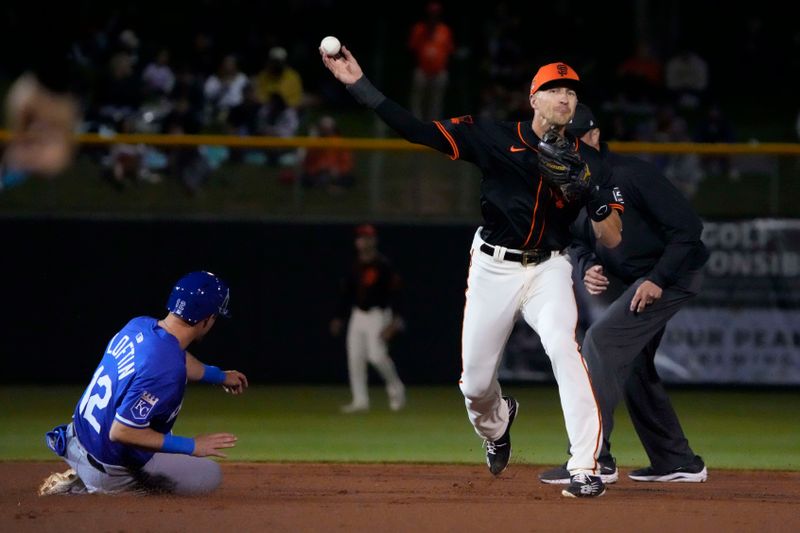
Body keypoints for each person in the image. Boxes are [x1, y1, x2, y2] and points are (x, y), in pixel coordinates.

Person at [322, 47, 624, 498]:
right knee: (476, 384)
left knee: (565, 347)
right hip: (493, 268)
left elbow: (613, 236)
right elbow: (418, 132)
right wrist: (359, 85)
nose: (564, 97)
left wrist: (592, 193)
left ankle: (585, 466)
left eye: (571, 92)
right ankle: (497, 425)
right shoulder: (491, 136)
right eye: (554, 89)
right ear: (533, 98)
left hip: (550, 268)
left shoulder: (591, 159)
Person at [538, 104, 709, 485]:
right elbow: (573, 241)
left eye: (573, 138)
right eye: (560, 140)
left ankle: (592, 457)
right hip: (635, 278)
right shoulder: (570, 187)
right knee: (631, 364)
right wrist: (587, 267)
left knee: (599, 342)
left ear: (595, 137)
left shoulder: (632, 175)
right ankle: (676, 460)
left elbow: (688, 230)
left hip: (674, 273)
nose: (564, 147)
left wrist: (658, 279)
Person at [39, 271, 249, 496]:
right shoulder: (166, 369)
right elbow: (122, 432)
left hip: (76, 438)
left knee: (154, 427)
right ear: (207, 319)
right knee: (208, 475)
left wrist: (219, 376)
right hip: (108, 465)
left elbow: (175, 357)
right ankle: (88, 489)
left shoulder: (139, 326)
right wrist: (192, 446)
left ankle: (85, 474)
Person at [330, 224, 406, 413]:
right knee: (355, 358)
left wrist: (395, 320)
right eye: (361, 238)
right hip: (358, 315)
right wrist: (339, 317)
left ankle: (396, 388)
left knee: (377, 356)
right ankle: (360, 400)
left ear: (374, 240)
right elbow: (346, 294)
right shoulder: (354, 266)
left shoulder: (383, 266)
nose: (363, 241)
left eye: (367, 238)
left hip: (377, 315)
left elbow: (396, 293)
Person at [407, 1, 455, 120]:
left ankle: (434, 127)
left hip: (439, 72)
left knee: (436, 102)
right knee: (417, 100)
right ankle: (416, 124)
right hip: (422, 71)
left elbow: (449, 51)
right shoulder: (419, 29)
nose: (433, 17)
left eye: (436, 14)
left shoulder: (445, 30)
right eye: (431, 14)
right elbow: (411, 50)